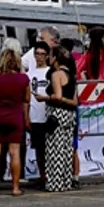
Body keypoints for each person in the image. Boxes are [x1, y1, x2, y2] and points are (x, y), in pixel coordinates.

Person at [0, 48, 30, 196]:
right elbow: (27, 99)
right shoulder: (23, 79)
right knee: (14, 153)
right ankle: (15, 187)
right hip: (15, 117)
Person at [38, 46, 79, 193]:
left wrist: (45, 98)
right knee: (67, 149)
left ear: (55, 58)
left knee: (54, 149)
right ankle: (66, 181)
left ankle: (55, 183)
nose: (48, 58)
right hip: (70, 115)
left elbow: (58, 96)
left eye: (50, 56)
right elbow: (74, 101)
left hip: (56, 114)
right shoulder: (71, 75)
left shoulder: (56, 74)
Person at [27, 41, 51, 184]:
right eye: (37, 54)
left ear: (47, 56)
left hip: (49, 115)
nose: (39, 57)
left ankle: (52, 174)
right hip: (35, 116)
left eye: (42, 54)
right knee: (39, 150)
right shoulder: (29, 74)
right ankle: (43, 176)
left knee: (51, 148)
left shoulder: (51, 72)